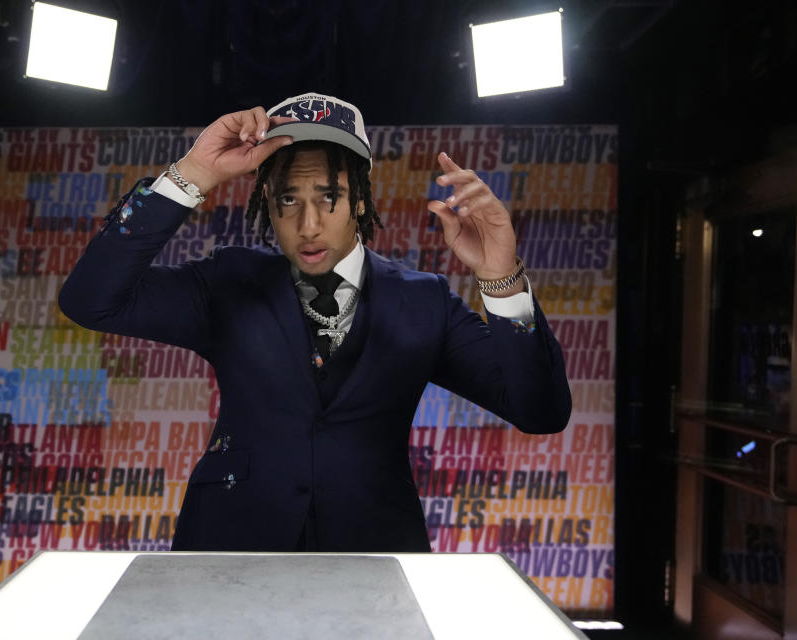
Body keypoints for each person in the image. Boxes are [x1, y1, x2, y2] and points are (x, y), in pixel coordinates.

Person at [58, 92, 571, 552]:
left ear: (361, 202)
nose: (308, 226)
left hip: (373, 554)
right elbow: (90, 301)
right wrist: (191, 175)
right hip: (230, 547)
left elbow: (540, 411)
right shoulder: (228, 280)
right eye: (288, 201)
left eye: (329, 198)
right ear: (267, 206)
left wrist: (500, 276)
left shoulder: (425, 301)